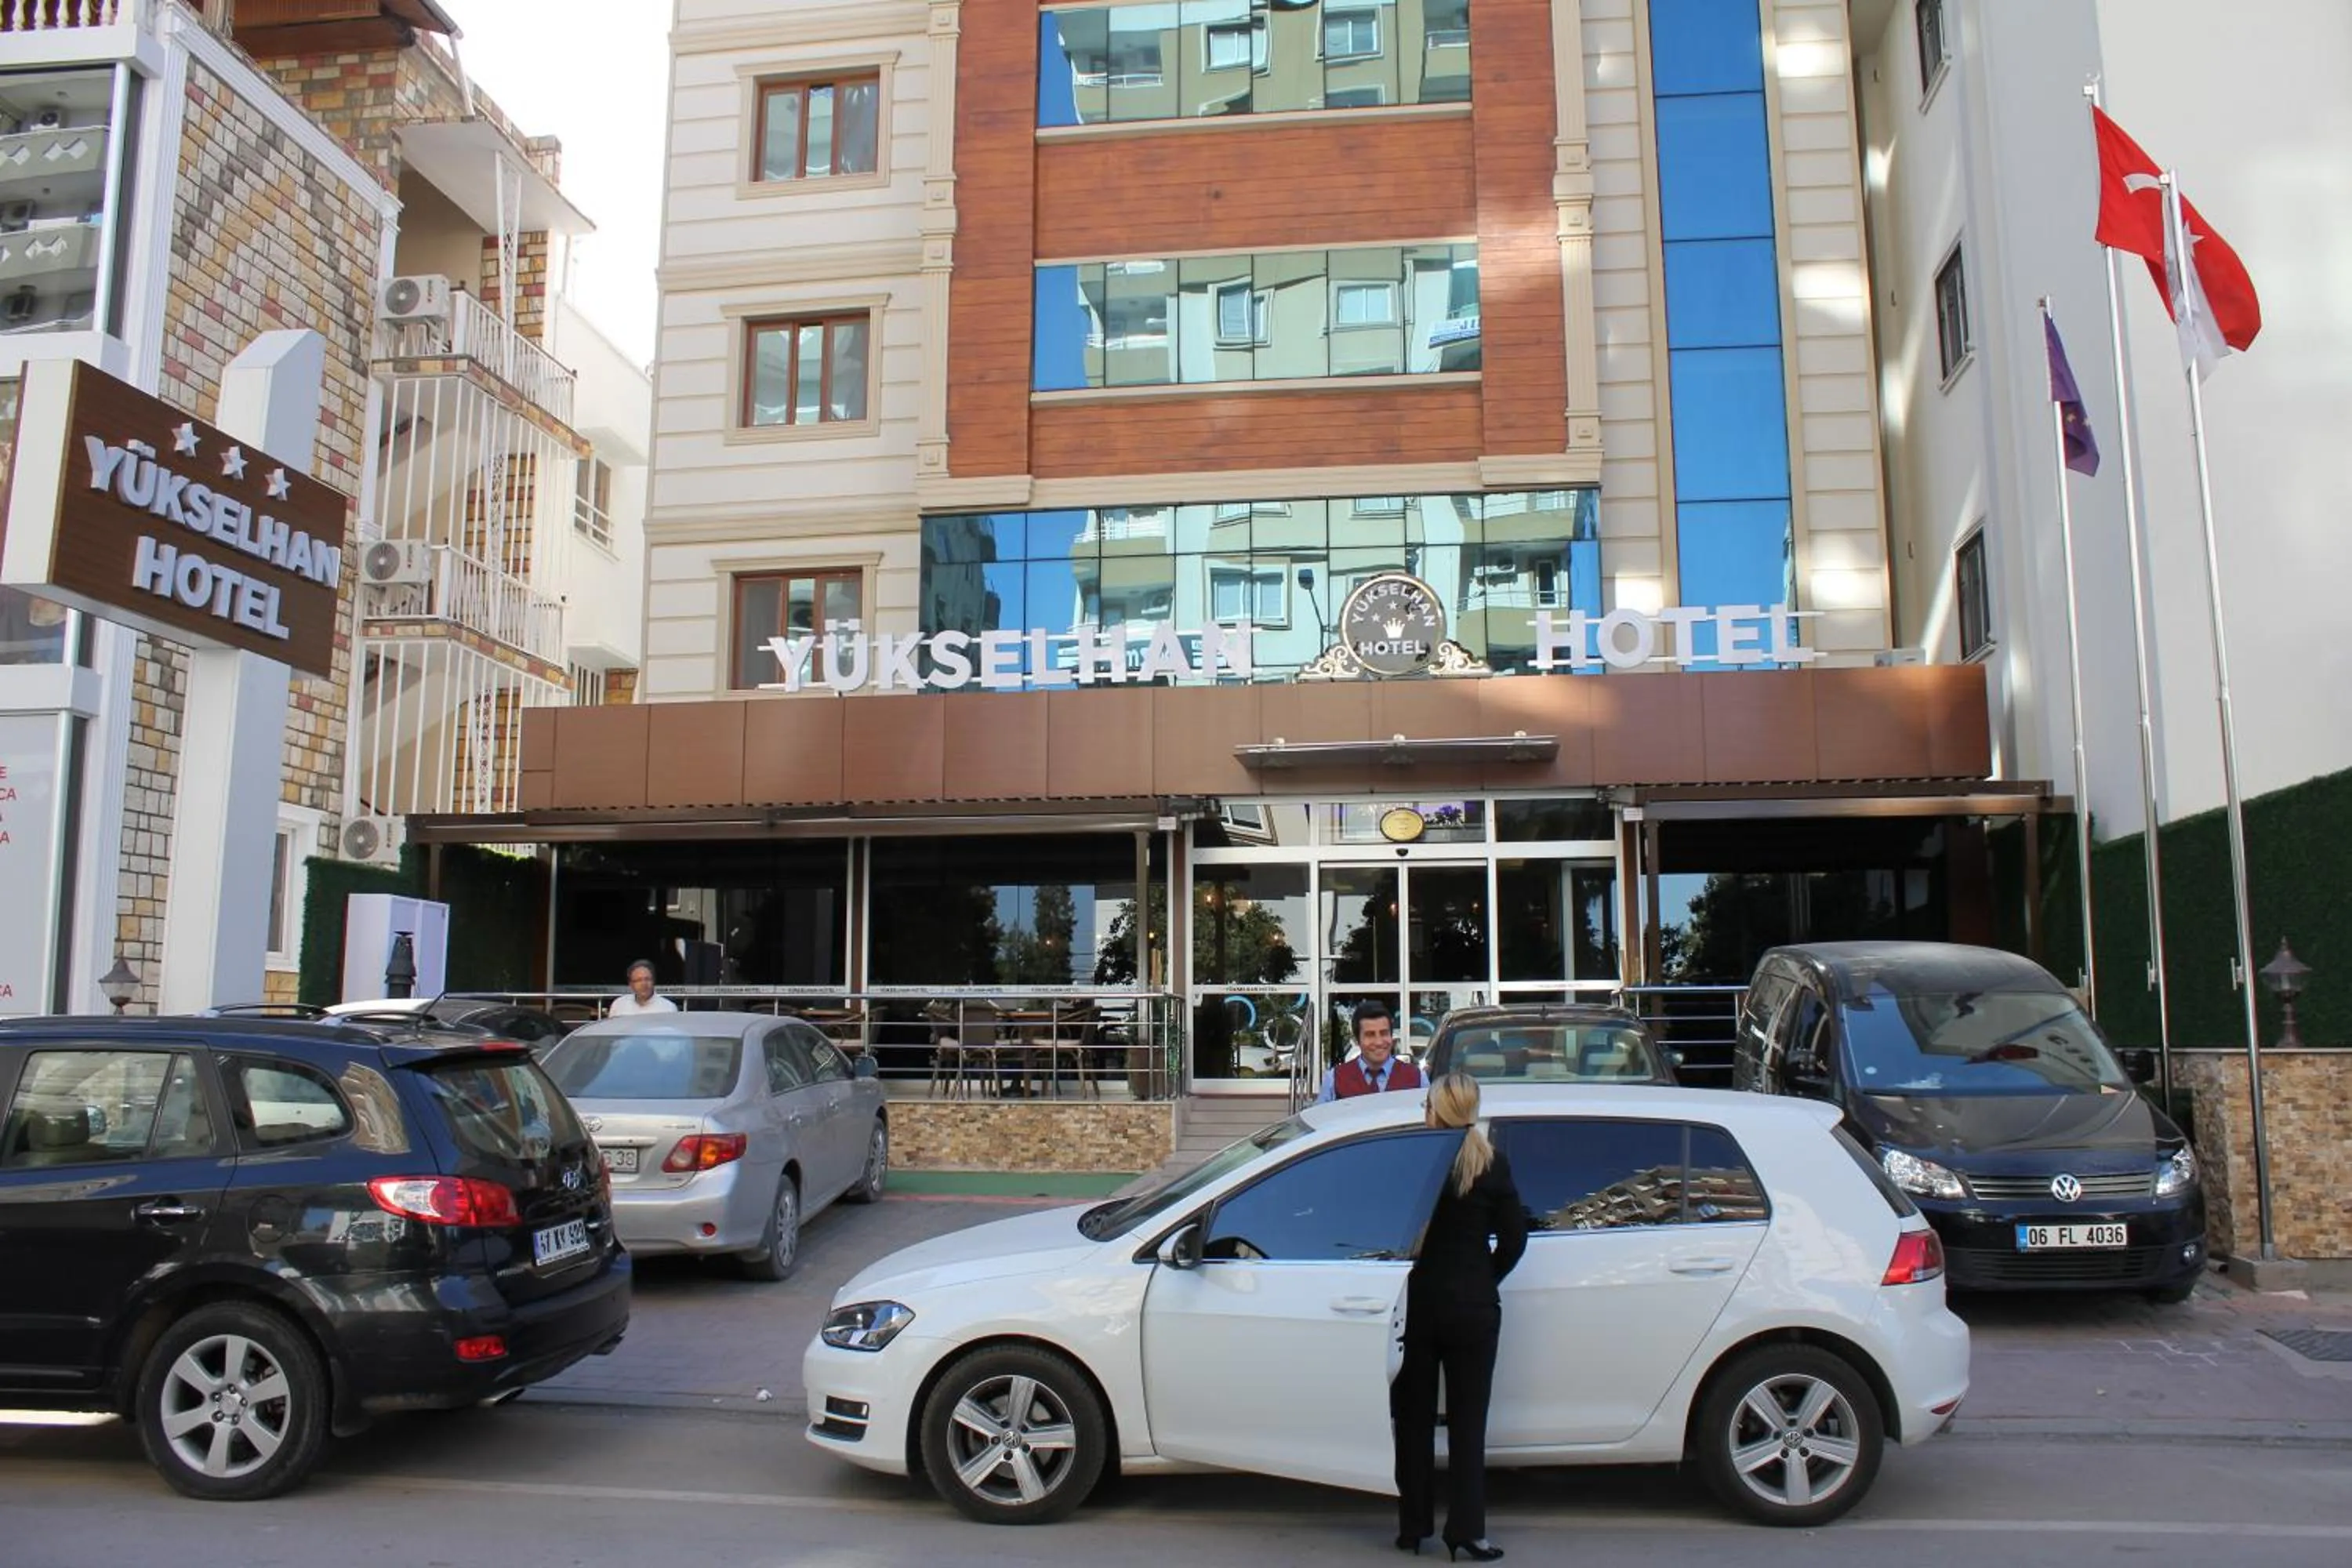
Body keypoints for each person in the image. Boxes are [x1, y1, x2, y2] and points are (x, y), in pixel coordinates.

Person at [1392, 1073, 1526, 1562]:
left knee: (1413, 1421)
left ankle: (1413, 1527)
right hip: (1473, 1309)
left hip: (1418, 1306)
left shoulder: (1416, 1162)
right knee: (1470, 1425)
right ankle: (1468, 1532)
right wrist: (1484, 1278)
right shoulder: (1492, 1164)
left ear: (1436, 1108)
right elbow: (1515, 1239)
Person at [1316, 1000, 1424, 1102]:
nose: (1378, 1042)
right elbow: (1320, 1120)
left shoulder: (1418, 1078)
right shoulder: (1334, 1080)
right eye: (1370, 1035)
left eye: (1384, 1033)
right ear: (1357, 1040)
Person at [607, 960, 677, 1018]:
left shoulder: (668, 1008)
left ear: (654, 981)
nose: (644, 984)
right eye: (639, 980)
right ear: (631, 984)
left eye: (647, 979)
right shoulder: (619, 1005)